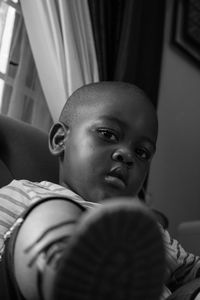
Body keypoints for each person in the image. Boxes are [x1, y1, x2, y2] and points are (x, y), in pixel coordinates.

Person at [0, 81, 199, 300]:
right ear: (60, 140)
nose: (126, 154)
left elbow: (193, 270)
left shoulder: (152, 230)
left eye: (142, 152)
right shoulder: (25, 192)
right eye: (107, 134)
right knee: (51, 213)